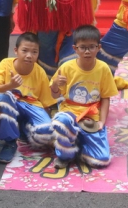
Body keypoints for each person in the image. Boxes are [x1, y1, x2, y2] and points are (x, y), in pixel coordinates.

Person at [50, 25, 118, 169]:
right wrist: (55, 84)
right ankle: (66, 155)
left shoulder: (103, 68)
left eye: (91, 47)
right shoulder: (66, 67)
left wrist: (101, 122)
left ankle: (78, 144)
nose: (87, 51)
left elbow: (105, 98)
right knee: (62, 121)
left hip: (90, 115)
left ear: (98, 47)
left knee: (102, 159)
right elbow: (54, 95)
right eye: (83, 47)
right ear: (75, 49)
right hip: (70, 111)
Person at [0, 32, 56, 164]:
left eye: (34, 52)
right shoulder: (5, 64)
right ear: (16, 51)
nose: (29, 55)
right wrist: (10, 85)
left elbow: (45, 103)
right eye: (25, 51)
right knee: (2, 97)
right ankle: (10, 141)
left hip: (31, 105)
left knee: (45, 133)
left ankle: (24, 128)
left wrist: (47, 126)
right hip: (11, 102)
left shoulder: (40, 72)